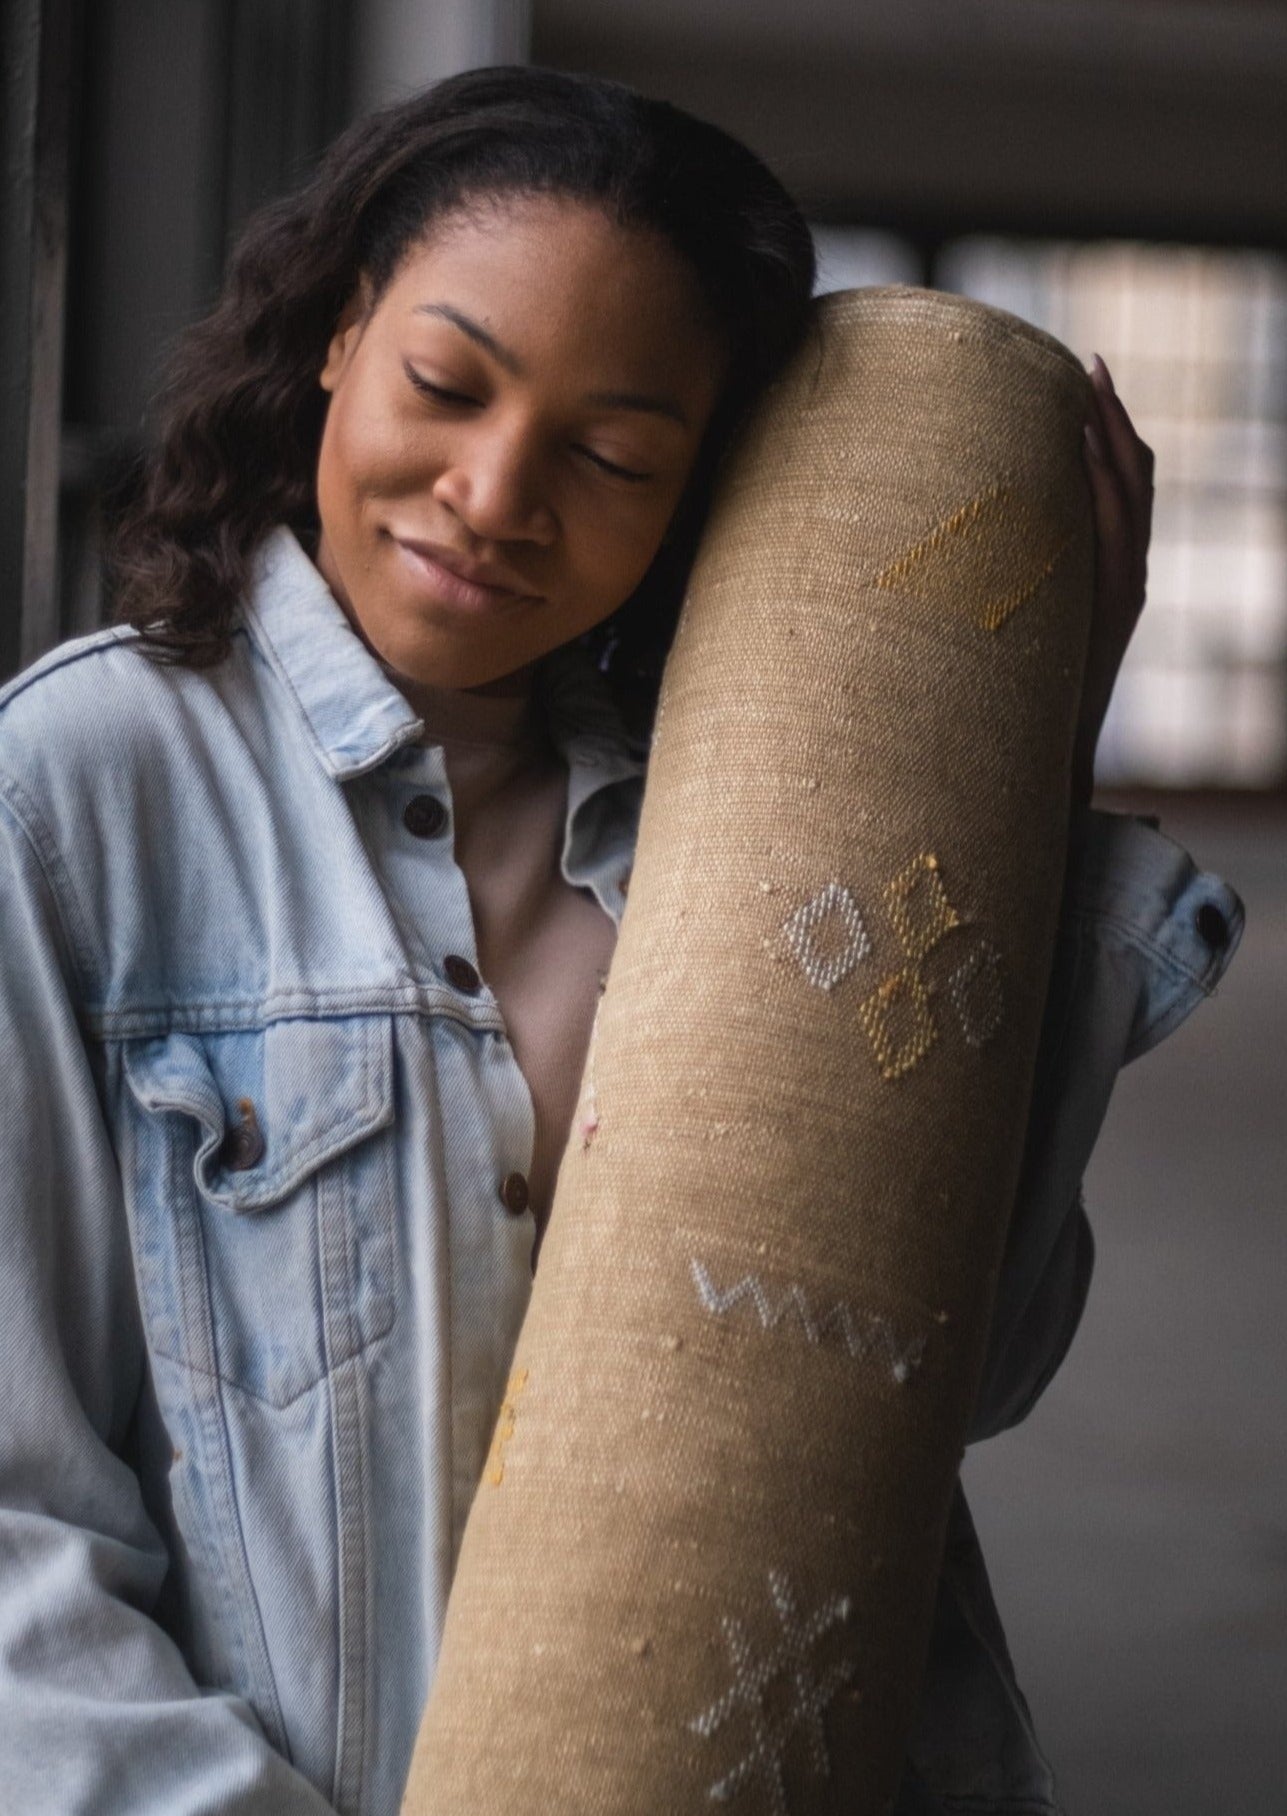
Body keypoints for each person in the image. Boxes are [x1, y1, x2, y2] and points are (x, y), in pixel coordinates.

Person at [0, 64, 1242, 1816]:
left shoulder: (748, 830)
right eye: (447, 383)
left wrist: (1025, 763)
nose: (497, 494)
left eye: (612, 455)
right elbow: (15, 1549)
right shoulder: (72, 798)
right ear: (342, 338)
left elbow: (957, 1372)